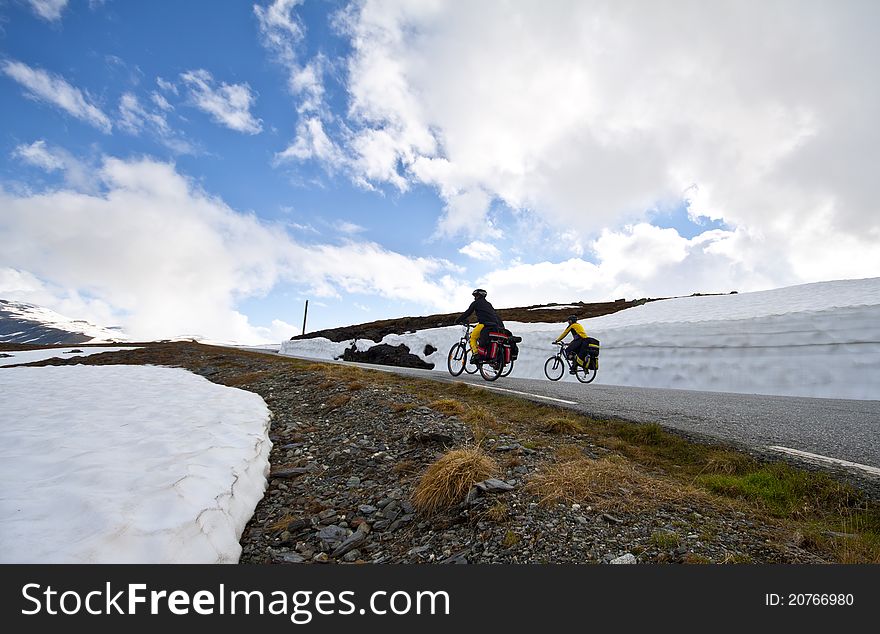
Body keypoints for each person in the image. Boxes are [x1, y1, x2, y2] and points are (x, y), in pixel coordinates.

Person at [455, 288, 504, 362]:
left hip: (484, 324)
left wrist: (458, 320)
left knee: (472, 337)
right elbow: (495, 315)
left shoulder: (476, 303)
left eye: (475, 295)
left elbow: (468, 312)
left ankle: (476, 354)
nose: (474, 297)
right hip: (495, 326)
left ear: (479, 296)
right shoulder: (488, 304)